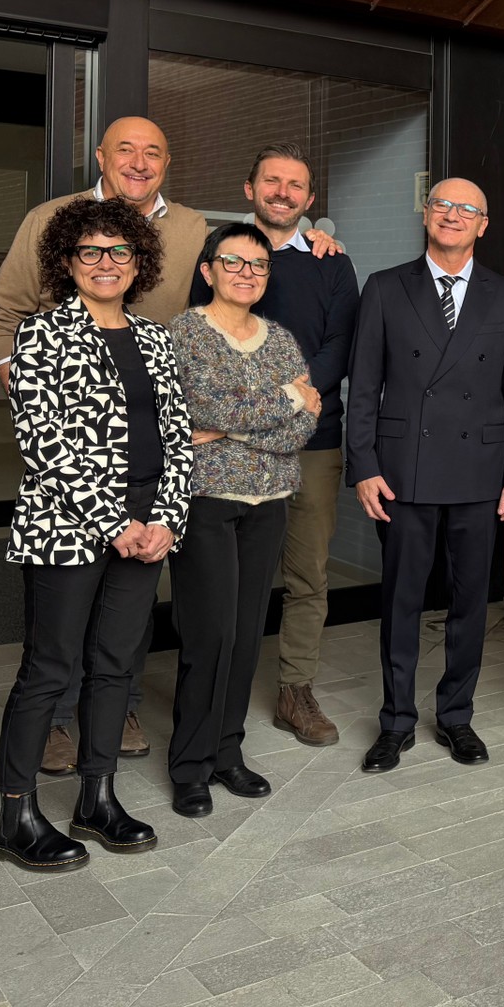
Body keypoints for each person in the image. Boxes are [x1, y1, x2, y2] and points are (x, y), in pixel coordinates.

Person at [0, 117, 336, 773]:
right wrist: (31, 395)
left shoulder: (192, 229)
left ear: (168, 163)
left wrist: (304, 241)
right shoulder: (51, 220)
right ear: (100, 157)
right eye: (125, 149)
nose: (139, 162)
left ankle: (111, 708)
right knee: (66, 590)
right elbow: (3, 313)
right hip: (76, 440)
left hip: (154, 441)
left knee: (131, 587)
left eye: (153, 152)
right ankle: (58, 719)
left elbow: (238, 276)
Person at [0, 197, 191, 870]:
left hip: (146, 525)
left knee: (115, 665)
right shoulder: (41, 335)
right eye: (90, 252)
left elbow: (177, 441)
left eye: (119, 251)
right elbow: (42, 443)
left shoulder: (156, 338)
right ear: (67, 262)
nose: (106, 264)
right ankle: (15, 814)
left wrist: (165, 521)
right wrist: (117, 523)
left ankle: (96, 798)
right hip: (67, 526)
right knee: (50, 669)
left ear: (139, 262)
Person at [346, 178, 504, 774]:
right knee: (401, 601)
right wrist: (365, 466)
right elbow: (363, 386)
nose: (452, 215)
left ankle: (457, 716)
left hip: (480, 473)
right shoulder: (384, 288)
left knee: (469, 604)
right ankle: (396, 721)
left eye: (467, 210)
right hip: (405, 472)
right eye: (442, 205)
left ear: (484, 225)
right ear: (426, 216)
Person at [189, 144, 358, 748]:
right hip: (229, 447)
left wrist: (295, 396)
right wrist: (264, 411)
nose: (283, 193)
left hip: (313, 438)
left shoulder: (331, 263)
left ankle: (295, 690)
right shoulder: (222, 255)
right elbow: (205, 336)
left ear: (309, 202)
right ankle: (213, 694)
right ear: (249, 188)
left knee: (308, 572)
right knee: (231, 579)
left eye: (296, 186)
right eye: (272, 182)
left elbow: (341, 343)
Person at [167, 225, 322, 818]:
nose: (247, 272)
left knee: (247, 631)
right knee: (210, 636)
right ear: (208, 270)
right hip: (207, 500)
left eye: (259, 265)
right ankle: (190, 765)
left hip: (270, 503)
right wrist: (279, 403)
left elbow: (305, 423)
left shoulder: (280, 338)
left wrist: (231, 428)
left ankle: (227, 752)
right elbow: (202, 404)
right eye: (233, 262)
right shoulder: (183, 335)